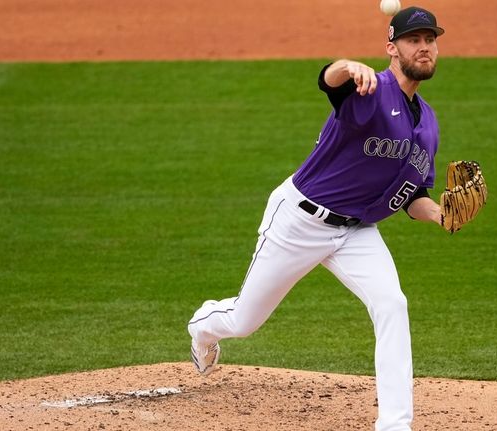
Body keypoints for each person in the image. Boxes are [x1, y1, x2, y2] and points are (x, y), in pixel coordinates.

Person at [188, 6, 445, 431]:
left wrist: (440, 214)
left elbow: (413, 194)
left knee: (392, 304)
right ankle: (203, 327)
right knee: (245, 321)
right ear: (392, 48)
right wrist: (348, 66)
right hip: (299, 221)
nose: (424, 47)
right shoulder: (368, 90)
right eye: (413, 40)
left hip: (358, 231)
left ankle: (395, 424)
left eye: (429, 40)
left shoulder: (429, 122)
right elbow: (328, 80)